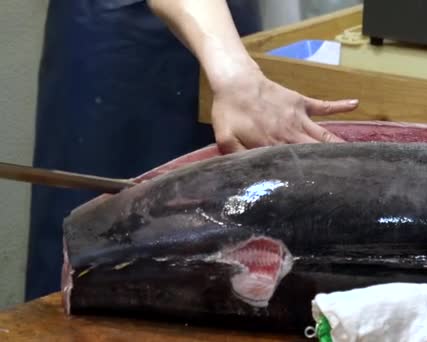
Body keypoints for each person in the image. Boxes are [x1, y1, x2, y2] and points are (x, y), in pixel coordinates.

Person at [26, 0, 358, 301]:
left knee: (223, 264)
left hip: (225, 35)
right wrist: (237, 77)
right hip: (125, 43)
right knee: (99, 255)